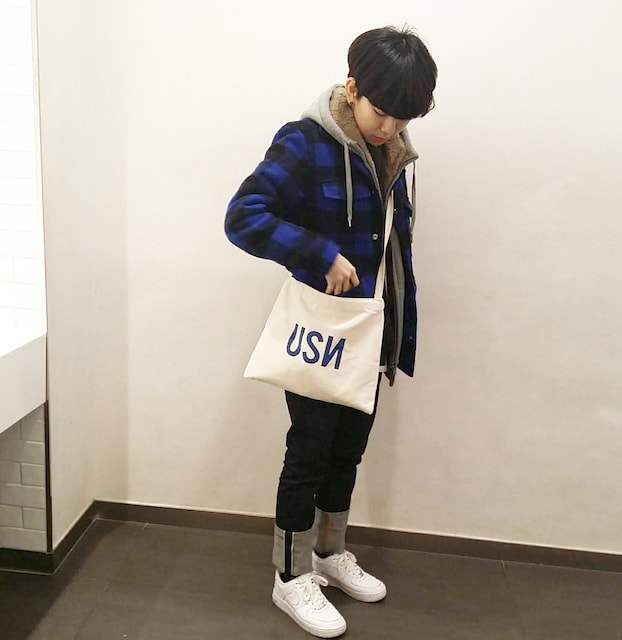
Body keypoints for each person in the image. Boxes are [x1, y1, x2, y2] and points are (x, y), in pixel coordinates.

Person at [224, 25, 437, 638]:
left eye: (403, 117)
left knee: (348, 451)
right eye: (381, 111)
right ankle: (290, 576)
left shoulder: (393, 152)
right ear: (352, 88)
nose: (390, 127)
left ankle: (328, 552)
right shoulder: (305, 142)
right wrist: (318, 254)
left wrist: (399, 326)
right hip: (324, 334)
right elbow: (243, 216)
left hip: (371, 329)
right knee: (308, 454)